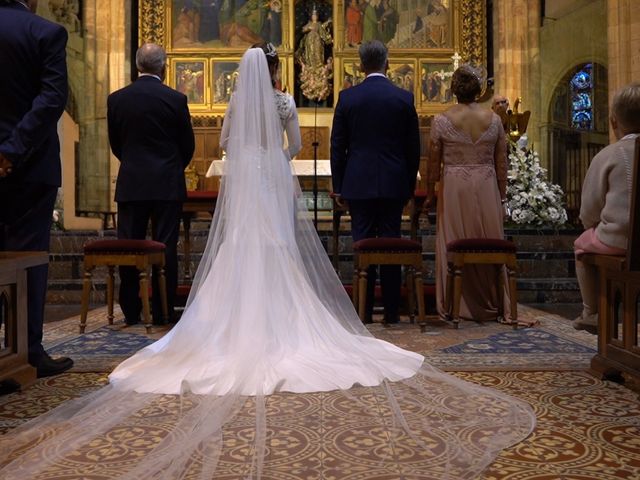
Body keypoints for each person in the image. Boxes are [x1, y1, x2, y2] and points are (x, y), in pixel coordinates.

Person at [0, 45, 534, 479]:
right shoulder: (284, 105)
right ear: (276, 73)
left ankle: (192, 322)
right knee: (280, 249)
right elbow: (295, 145)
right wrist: (273, 163)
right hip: (276, 179)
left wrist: (249, 162)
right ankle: (365, 314)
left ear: (242, 76)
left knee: (238, 249)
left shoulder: (234, 109)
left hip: (243, 179)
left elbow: (228, 146)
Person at [0, 0, 73, 378]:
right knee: (29, 257)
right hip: (30, 167)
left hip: (23, 164)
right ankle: (27, 351)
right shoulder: (44, 32)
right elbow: (51, 99)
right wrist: (10, 151)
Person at [331, 40, 420, 324]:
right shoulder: (403, 98)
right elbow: (413, 148)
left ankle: (364, 311)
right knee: (391, 244)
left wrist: (339, 186)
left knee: (363, 245)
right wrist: (408, 186)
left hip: (358, 183)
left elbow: (338, 146)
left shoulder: (348, 98)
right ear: (387, 62)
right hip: (394, 183)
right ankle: (392, 311)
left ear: (360, 65)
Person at [107, 43, 195, 325]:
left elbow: (116, 143)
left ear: (137, 66)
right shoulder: (175, 99)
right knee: (166, 246)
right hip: (167, 183)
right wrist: (170, 167)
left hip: (132, 182)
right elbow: (188, 145)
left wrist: (134, 163)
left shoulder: (117, 99)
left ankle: (131, 311)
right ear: (164, 66)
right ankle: (162, 310)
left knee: (129, 246)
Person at [427, 65, 509, 322]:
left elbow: (432, 164)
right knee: (486, 238)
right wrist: (502, 196)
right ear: (478, 89)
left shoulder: (441, 120)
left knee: (456, 240)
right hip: (486, 186)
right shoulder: (494, 120)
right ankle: (491, 300)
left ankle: (455, 302)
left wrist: (430, 194)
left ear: (454, 89)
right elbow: (502, 163)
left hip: (455, 187)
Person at [572, 82, 640, 333]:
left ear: (614, 122)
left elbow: (589, 211)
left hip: (619, 240)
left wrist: (591, 224)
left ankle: (592, 312)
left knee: (581, 244)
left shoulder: (608, 155)